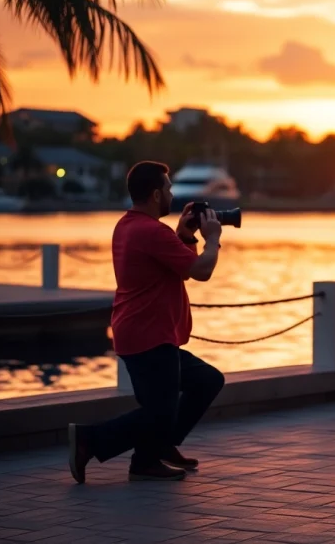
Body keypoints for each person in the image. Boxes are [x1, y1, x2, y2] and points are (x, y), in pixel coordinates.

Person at [67, 161, 226, 483]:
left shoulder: (129, 225)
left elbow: (177, 267)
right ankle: (91, 441)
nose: (171, 194)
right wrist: (212, 239)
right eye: (168, 189)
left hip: (147, 332)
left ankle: (157, 449)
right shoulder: (151, 231)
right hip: (148, 335)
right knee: (160, 412)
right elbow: (200, 271)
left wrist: (184, 235)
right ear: (156, 194)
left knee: (206, 381)